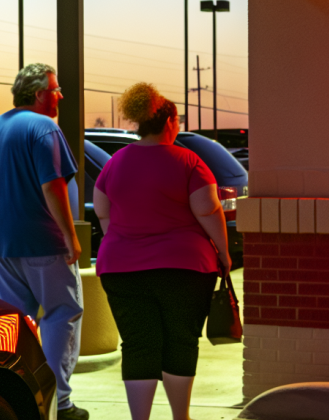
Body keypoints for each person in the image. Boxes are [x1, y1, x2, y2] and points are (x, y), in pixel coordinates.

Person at [93, 83, 231, 420]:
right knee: (180, 341)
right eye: (178, 120)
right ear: (169, 121)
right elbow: (208, 211)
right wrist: (224, 255)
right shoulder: (188, 160)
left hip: (121, 269)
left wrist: (126, 241)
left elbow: (102, 210)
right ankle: (180, 417)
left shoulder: (115, 162)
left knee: (139, 344)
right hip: (184, 268)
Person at [0, 63, 88, 420]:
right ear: (39, 94)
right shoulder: (44, 128)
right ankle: (60, 403)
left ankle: (28, 399)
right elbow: (53, 186)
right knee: (61, 315)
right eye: (56, 89)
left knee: (18, 324)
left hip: (4, 246)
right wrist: (69, 236)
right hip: (43, 243)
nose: (60, 96)